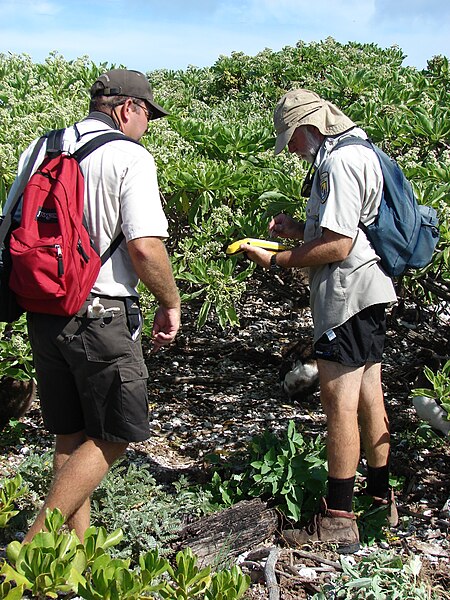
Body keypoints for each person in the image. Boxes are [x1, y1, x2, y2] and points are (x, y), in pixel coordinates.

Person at [5, 69, 181, 543]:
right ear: (128, 109)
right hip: (100, 312)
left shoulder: (42, 147)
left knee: (71, 432)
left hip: (43, 310)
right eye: (148, 115)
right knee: (115, 435)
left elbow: (10, 227)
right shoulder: (130, 157)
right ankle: (33, 548)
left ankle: (69, 560)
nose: (148, 125)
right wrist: (170, 301)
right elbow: (144, 247)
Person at [242, 89, 398, 553]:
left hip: (347, 297)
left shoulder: (340, 163)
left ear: (311, 126)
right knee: (370, 395)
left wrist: (276, 259)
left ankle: (338, 521)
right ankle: (380, 499)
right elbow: (342, 229)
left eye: (291, 138)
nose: (290, 148)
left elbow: (339, 246)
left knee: (339, 405)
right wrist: (297, 231)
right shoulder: (359, 150)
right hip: (367, 293)